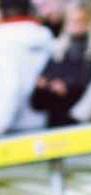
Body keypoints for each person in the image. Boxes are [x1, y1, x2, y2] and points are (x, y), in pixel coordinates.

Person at [31, 0, 91, 127]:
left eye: (80, 21)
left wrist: (67, 87)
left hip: (87, 123)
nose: (76, 26)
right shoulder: (58, 52)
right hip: (57, 124)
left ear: (90, 21)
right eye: (72, 21)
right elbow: (37, 102)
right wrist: (43, 88)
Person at [0, 0, 53, 134]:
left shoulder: (4, 38)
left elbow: (11, 86)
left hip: (10, 126)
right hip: (43, 121)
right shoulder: (45, 34)